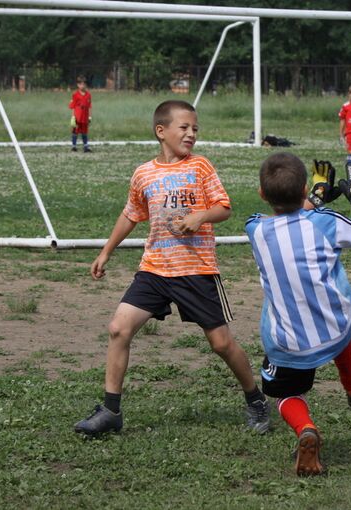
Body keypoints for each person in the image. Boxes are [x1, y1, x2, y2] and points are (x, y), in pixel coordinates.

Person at [74, 100, 269, 437]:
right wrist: (106, 251)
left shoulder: (201, 167)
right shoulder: (143, 174)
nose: (191, 134)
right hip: (154, 270)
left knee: (221, 344)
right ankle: (110, 410)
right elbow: (130, 214)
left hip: (196, 271)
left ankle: (256, 400)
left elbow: (223, 207)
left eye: (195, 128)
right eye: (184, 127)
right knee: (119, 328)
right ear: (161, 131)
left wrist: (199, 216)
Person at [246, 153, 351, 476]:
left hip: (288, 343)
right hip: (337, 327)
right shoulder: (327, 223)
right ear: (304, 187)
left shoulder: (255, 229)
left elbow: (287, 220)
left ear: (262, 194)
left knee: (284, 392)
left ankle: (306, 427)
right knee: (334, 318)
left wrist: (314, 198)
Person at [69, 75, 92, 153]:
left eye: (84, 84)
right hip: (77, 117)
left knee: (84, 132)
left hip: (85, 117)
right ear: (78, 85)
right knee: (75, 132)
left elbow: (89, 106)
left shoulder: (88, 95)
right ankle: (74, 146)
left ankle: (86, 146)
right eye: (81, 84)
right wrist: (73, 117)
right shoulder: (75, 95)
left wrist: (89, 117)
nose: (83, 85)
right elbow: (73, 106)